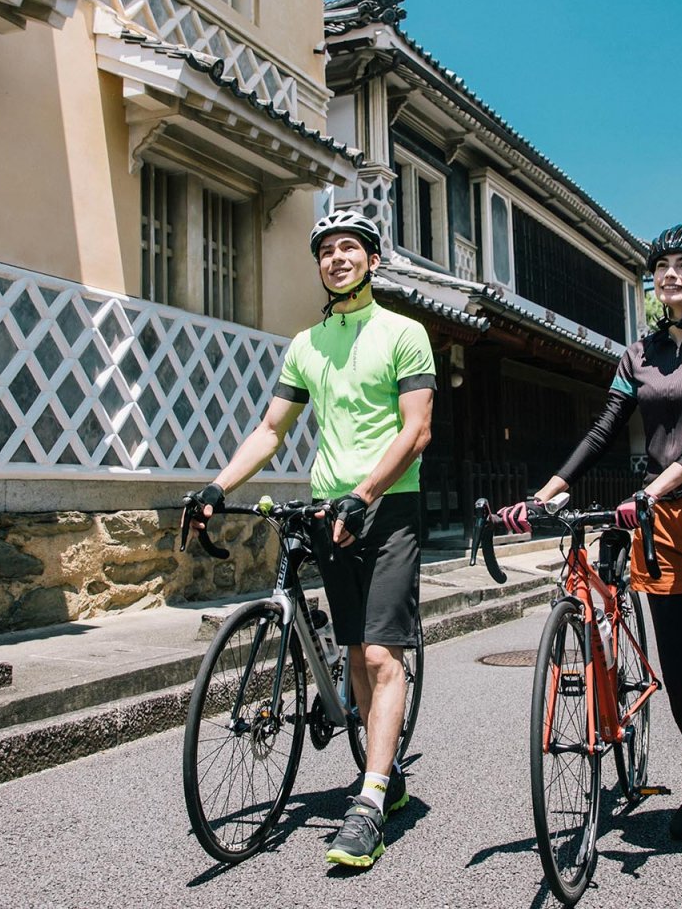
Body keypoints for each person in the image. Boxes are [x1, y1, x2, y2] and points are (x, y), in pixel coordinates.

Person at [526, 224, 682, 896]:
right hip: (662, 521)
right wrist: (550, 488)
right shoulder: (637, 354)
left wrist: (657, 485)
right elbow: (608, 424)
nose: (669, 275)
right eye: (661, 266)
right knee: (679, 671)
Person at [188, 209, 435, 869]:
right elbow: (272, 429)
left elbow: (416, 430)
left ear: (373, 260)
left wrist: (365, 493)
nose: (337, 257)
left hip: (390, 507)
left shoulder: (404, 333)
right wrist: (216, 486)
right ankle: (384, 772)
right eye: (326, 250)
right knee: (355, 649)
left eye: (350, 247)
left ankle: (371, 801)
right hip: (332, 510)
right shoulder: (305, 343)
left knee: (382, 655)